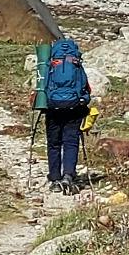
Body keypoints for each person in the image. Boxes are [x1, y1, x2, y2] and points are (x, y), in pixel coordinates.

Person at [35, 37, 92, 194]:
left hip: (53, 108)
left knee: (54, 143)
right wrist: (83, 103)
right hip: (73, 108)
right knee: (70, 142)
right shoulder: (76, 65)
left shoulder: (50, 64)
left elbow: (42, 87)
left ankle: (54, 178)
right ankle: (68, 175)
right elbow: (86, 89)